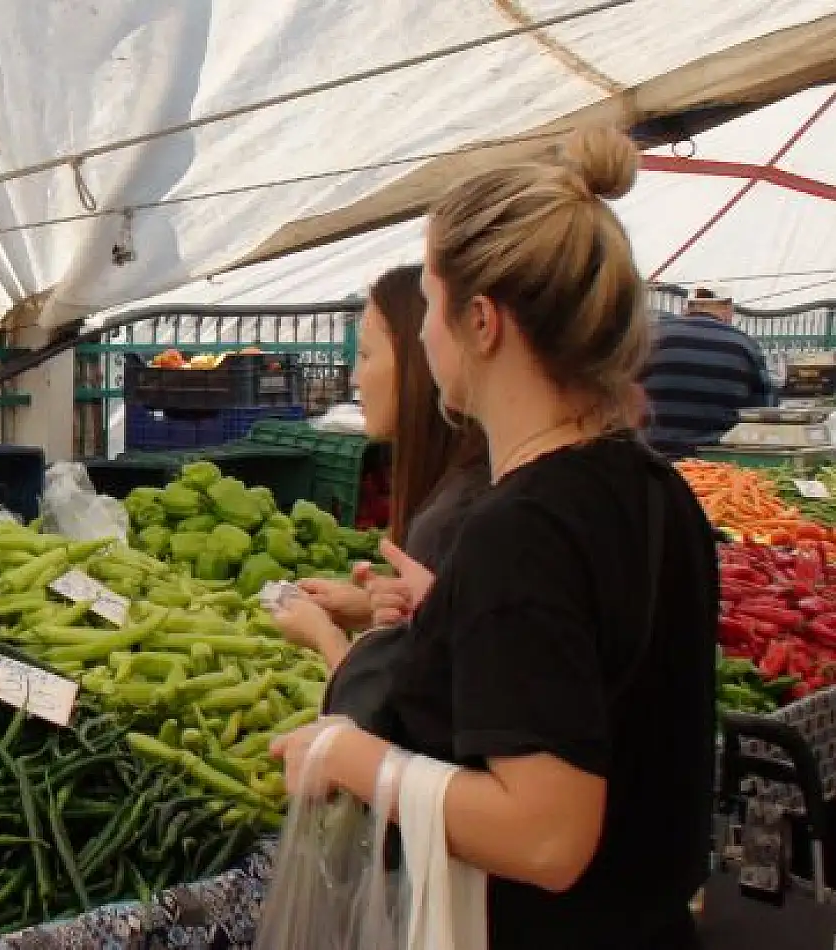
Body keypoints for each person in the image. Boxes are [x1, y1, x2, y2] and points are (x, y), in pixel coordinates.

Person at [271, 126, 717, 949]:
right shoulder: (656, 491)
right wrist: (456, 619)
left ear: (481, 321)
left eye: (432, 306)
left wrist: (345, 754)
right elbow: (604, 679)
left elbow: (546, 838)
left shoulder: (521, 530)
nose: (425, 337)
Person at [277, 264, 489, 670]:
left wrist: (325, 638)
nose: (355, 378)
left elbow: (406, 712)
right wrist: (369, 607)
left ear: (420, 363)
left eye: (365, 354)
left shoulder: (454, 519)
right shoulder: (466, 487)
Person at [640, 286, 773, 457]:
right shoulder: (744, 345)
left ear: (686, 308)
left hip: (652, 455)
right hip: (714, 463)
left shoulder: (650, 337)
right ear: (728, 308)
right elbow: (763, 409)